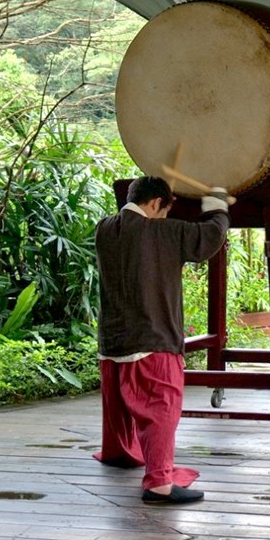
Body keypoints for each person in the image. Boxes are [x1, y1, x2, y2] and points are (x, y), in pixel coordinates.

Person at [93, 175, 230, 505]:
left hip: (112, 344)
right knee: (161, 410)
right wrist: (219, 206)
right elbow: (210, 236)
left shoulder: (105, 229)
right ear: (155, 204)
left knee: (124, 407)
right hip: (152, 341)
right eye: (165, 210)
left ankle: (120, 454)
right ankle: (158, 484)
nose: (167, 217)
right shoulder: (163, 232)